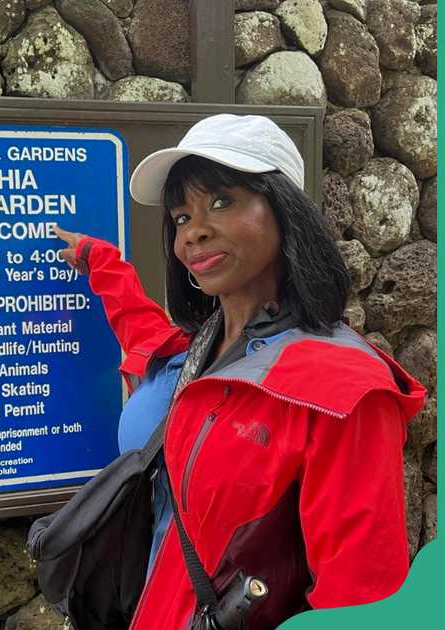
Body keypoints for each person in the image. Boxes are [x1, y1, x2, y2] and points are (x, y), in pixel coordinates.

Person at [54, 114, 425, 629]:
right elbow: (142, 334)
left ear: (285, 211)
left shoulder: (340, 393)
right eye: (181, 217)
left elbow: (358, 596)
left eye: (221, 202)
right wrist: (101, 262)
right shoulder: (192, 354)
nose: (194, 232)